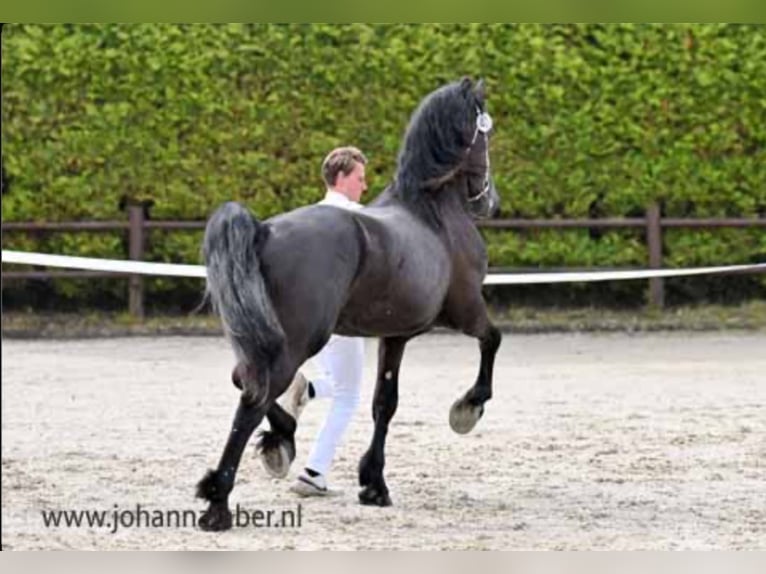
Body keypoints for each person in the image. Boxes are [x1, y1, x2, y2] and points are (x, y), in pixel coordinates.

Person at [260, 146, 368, 496]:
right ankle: (314, 472)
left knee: (339, 383)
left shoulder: (308, 220)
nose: (364, 186)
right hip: (344, 318)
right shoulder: (360, 218)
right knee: (350, 395)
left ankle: (304, 388)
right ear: (341, 178)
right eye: (360, 178)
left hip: (309, 322)